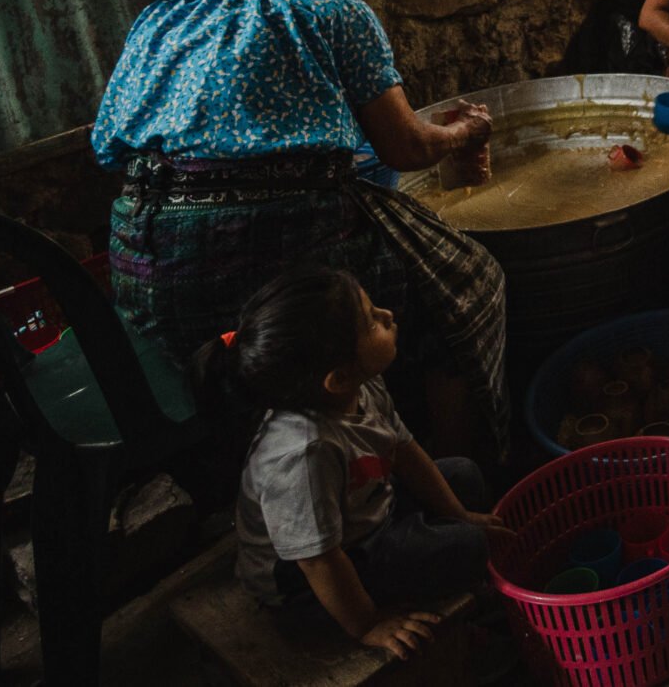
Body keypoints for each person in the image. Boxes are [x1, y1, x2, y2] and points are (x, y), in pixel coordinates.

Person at [92, 0, 507, 459]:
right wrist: (466, 130)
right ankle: (454, 467)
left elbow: (109, 147)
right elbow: (407, 151)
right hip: (268, 254)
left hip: (148, 268)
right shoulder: (328, 6)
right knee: (463, 287)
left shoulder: (163, 13)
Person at [199, 267, 508, 659]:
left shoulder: (361, 385)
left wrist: (458, 512)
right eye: (372, 321)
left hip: (363, 516)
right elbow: (318, 561)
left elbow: (404, 452)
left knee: (464, 475)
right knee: (469, 547)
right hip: (307, 586)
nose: (388, 315)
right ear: (338, 377)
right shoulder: (304, 454)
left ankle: (430, 538)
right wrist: (368, 624)